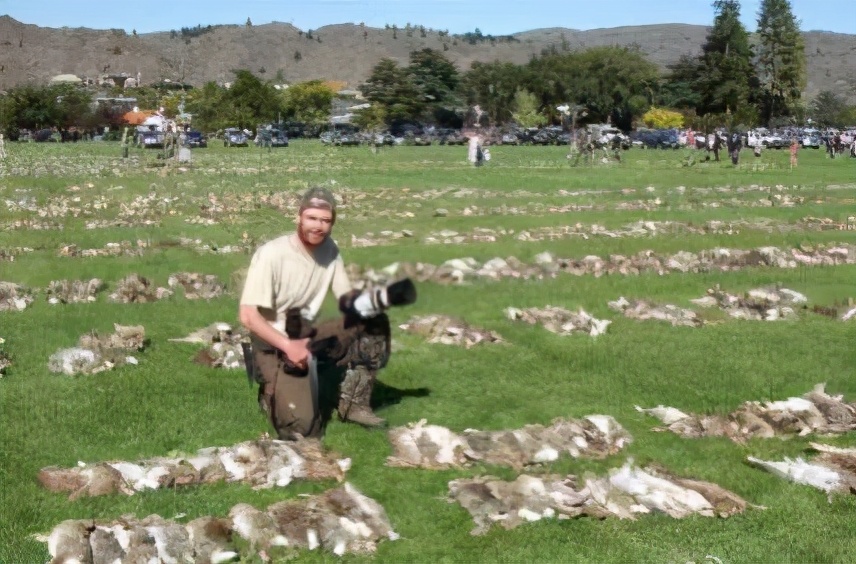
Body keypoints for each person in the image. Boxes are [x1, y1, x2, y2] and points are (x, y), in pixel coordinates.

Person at [238, 187, 391, 439]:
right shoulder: (272, 254)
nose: (318, 226)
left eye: (325, 220)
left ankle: (352, 402)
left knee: (373, 322)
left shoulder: (330, 249)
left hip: (305, 331)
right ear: (298, 218)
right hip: (272, 336)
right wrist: (288, 346)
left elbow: (345, 297)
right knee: (304, 431)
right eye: (312, 218)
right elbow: (248, 317)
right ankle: (270, 388)